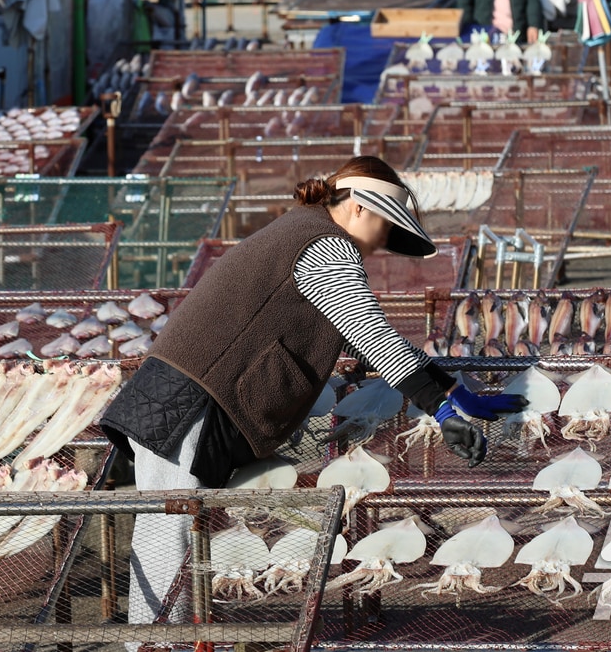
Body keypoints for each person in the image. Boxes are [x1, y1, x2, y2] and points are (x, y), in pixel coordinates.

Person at [100, 155, 526, 626]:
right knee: (169, 531)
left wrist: (453, 394)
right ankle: (156, 642)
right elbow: (369, 333)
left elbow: (368, 335)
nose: (384, 242)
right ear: (360, 208)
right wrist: (441, 413)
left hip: (186, 396)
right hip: (191, 402)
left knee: (173, 527)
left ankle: (167, 637)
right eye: (386, 227)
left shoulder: (302, 231)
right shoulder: (325, 245)